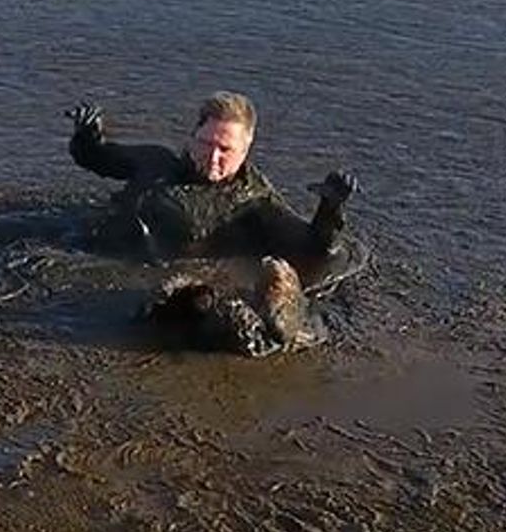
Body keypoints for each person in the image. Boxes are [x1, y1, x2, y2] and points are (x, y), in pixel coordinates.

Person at [66, 91, 359, 357]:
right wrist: (87, 134)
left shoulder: (253, 201)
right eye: (206, 143)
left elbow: (313, 247)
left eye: (225, 149)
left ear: (245, 150)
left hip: (145, 277)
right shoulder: (156, 161)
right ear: (193, 136)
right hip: (83, 243)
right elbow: (97, 159)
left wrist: (330, 208)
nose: (213, 157)